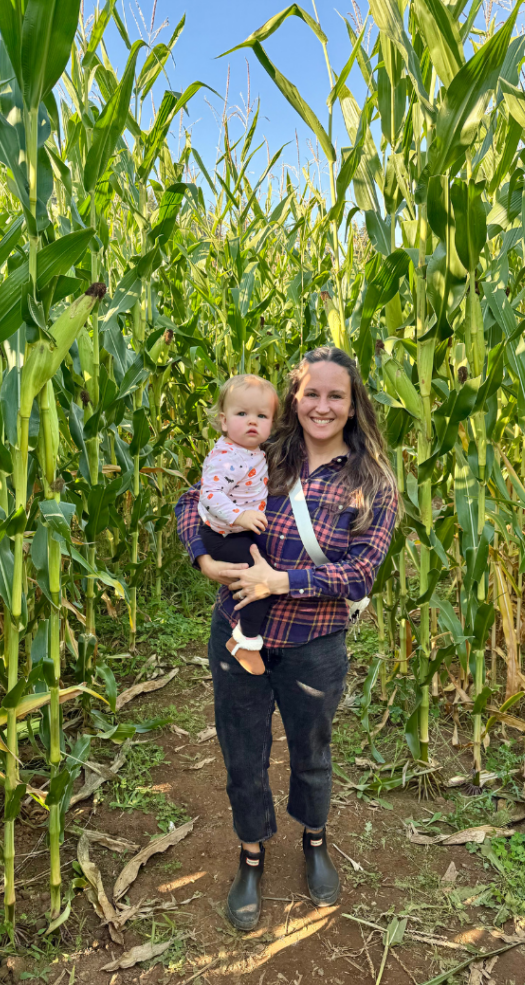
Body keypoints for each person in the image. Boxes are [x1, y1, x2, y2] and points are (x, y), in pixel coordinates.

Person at [175, 346, 399, 931]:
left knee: (312, 755)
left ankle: (315, 842)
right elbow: (191, 502)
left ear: (353, 406)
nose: (321, 406)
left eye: (336, 396)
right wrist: (202, 557)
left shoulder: (370, 481)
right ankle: (251, 854)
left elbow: (358, 573)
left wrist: (283, 580)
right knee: (242, 755)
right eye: (311, 394)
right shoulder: (261, 454)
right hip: (237, 634)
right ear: (293, 399)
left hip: (314, 642)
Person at [195, 374, 279, 675]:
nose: (252, 421)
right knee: (259, 582)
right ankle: (245, 640)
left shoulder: (250, 452)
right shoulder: (229, 457)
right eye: (242, 414)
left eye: (261, 415)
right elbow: (209, 495)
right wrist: (239, 515)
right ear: (224, 420)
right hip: (223, 533)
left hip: (232, 531)